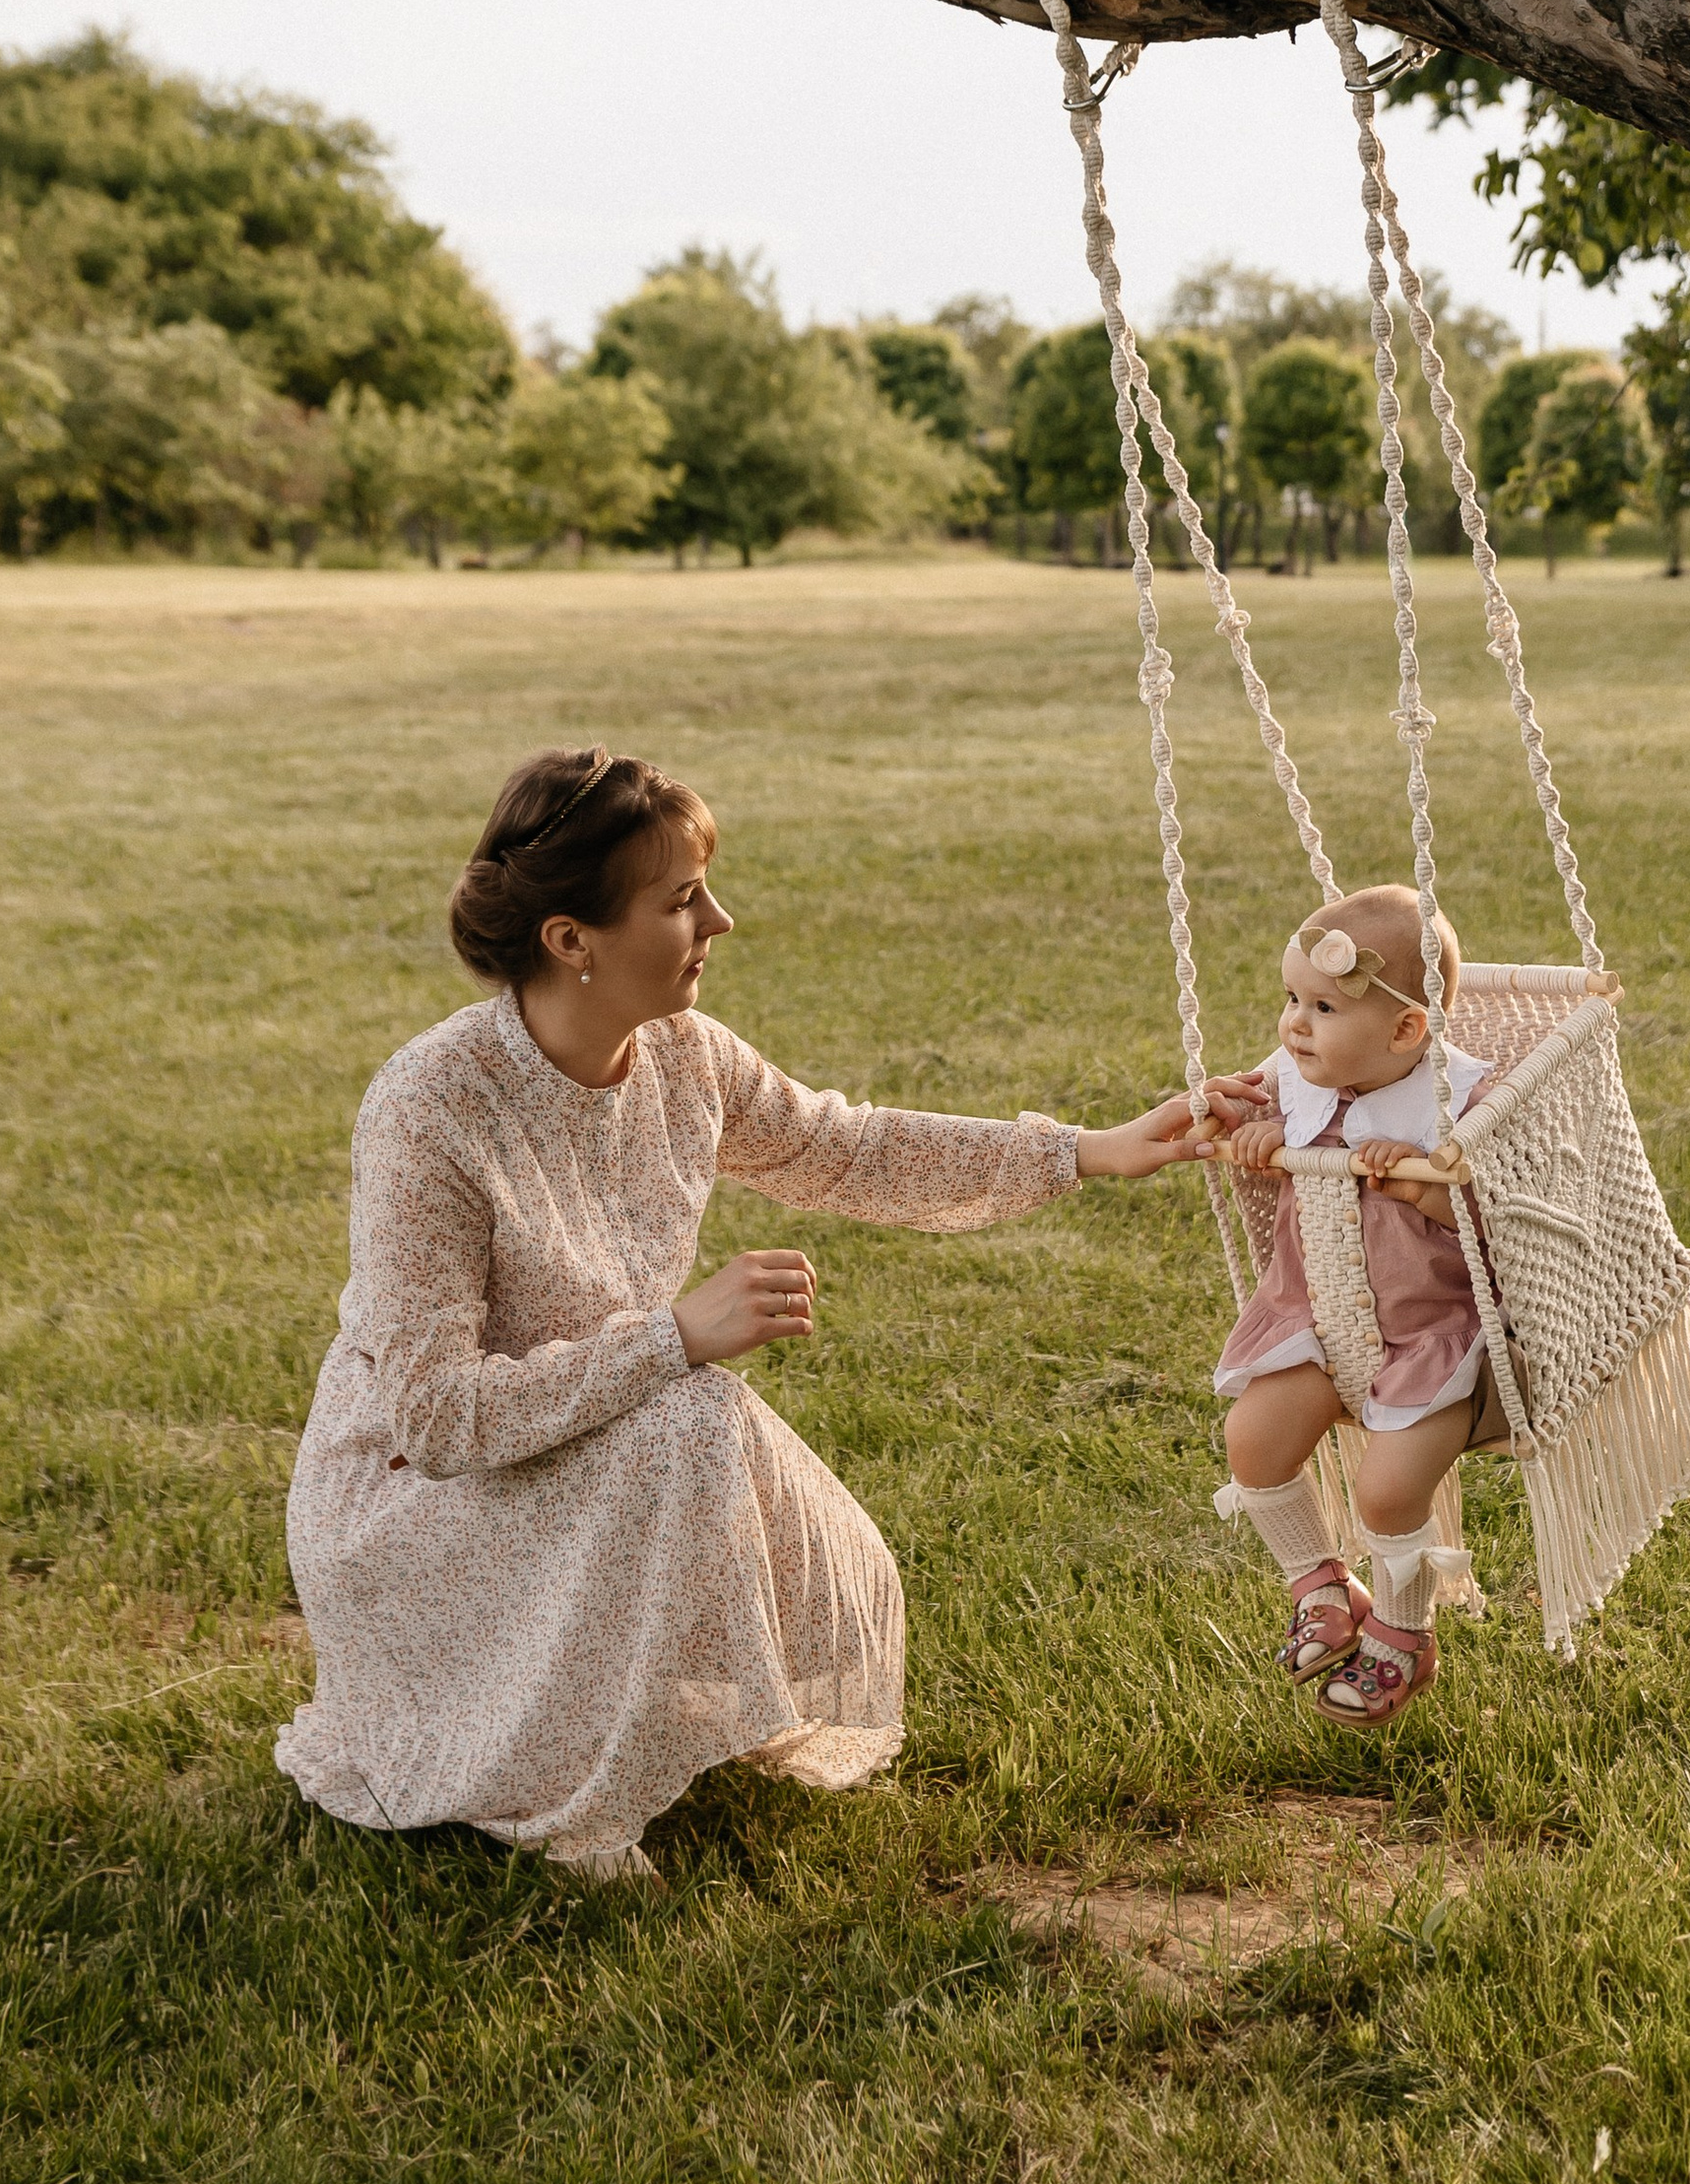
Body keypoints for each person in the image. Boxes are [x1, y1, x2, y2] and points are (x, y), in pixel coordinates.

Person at [276, 744, 1220, 1883]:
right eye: (681, 900)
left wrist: (1085, 1151)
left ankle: (653, 1715)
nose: (719, 920)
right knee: (692, 1412)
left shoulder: (683, 1056)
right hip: (412, 1502)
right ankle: (565, 1803)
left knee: (705, 1432)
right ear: (570, 940)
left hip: (585, 1442)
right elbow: (434, 1421)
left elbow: (849, 1147)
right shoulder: (428, 1109)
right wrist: (672, 1336)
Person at [1209, 886, 1499, 1730]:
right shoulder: (1292, 1085)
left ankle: (1406, 1634)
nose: (1295, 1022)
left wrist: (1421, 1179)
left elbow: (1495, 1222)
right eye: (1291, 998)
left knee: (1386, 1491)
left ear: (1408, 1030)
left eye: (1325, 1005)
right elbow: (1241, 1125)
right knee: (1251, 1441)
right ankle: (1321, 1585)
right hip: (1317, 1327)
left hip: (1433, 1338)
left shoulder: (1459, 1107)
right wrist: (1257, 1141)